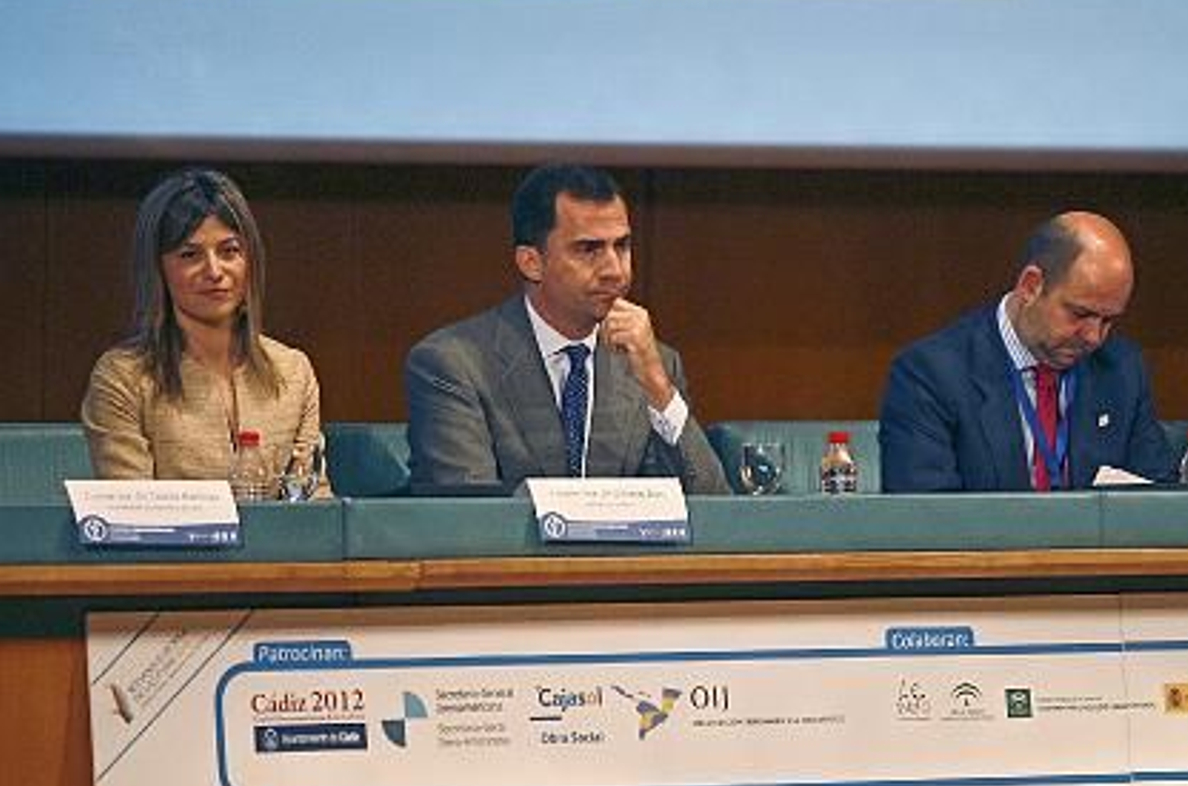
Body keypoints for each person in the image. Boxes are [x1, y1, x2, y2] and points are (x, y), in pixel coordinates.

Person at [405, 164, 729, 494]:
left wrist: (659, 390)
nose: (615, 271)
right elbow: (466, 518)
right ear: (531, 262)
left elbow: (715, 513)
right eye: (589, 250)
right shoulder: (454, 365)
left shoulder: (654, 364)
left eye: (622, 246)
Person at [879, 211, 1174, 491]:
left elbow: (1157, 501)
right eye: (1080, 314)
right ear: (1031, 286)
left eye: (1108, 320)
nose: (1094, 337)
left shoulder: (1121, 370)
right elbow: (924, 517)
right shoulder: (931, 374)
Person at [80, 168, 328, 492]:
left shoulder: (293, 372)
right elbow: (133, 516)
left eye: (229, 251)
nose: (214, 271)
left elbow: (314, 506)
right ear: (157, 269)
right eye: (190, 255)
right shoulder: (123, 377)